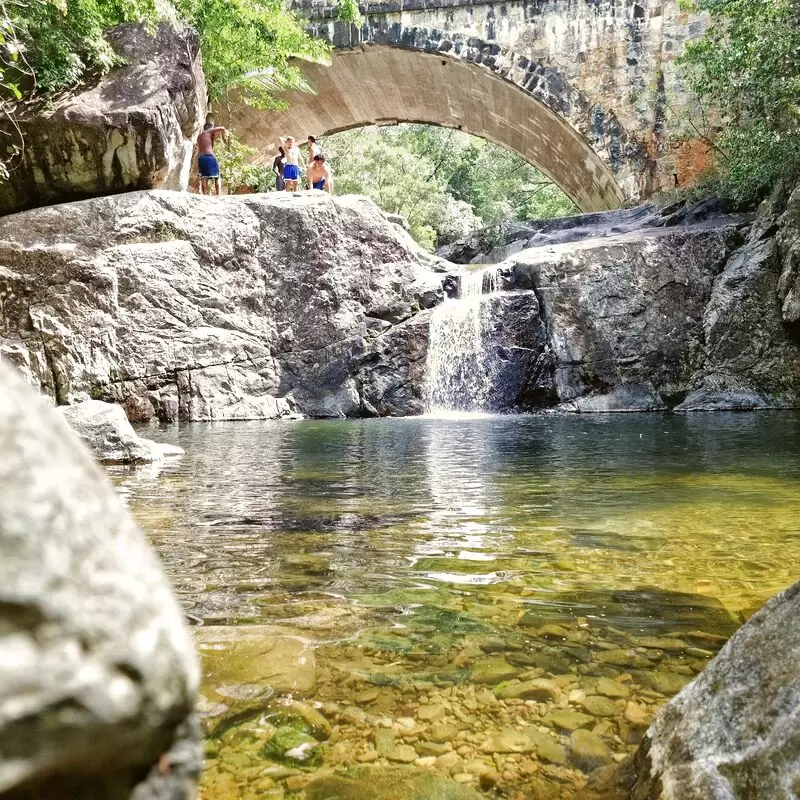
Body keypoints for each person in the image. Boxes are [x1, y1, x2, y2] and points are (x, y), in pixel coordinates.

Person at [197, 118, 227, 195]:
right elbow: (222, 128)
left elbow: (207, 146)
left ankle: (204, 195)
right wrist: (224, 138)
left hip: (201, 158)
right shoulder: (208, 131)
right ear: (210, 128)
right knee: (217, 177)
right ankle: (218, 195)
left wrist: (212, 138)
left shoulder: (200, 136)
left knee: (204, 177)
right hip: (209, 157)